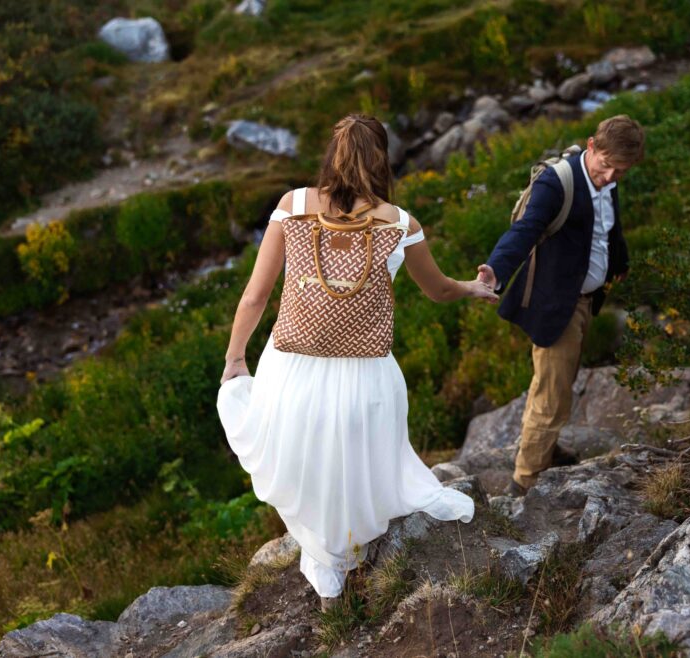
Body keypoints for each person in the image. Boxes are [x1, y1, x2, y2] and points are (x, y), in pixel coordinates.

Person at [216, 114, 497, 611]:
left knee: (306, 459)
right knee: (355, 458)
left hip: (290, 367)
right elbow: (437, 291)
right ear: (381, 160)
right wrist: (473, 287)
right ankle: (347, 551)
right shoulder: (400, 223)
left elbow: (256, 297)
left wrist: (236, 357)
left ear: (333, 155)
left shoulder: (292, 206)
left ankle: (327, 565)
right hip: (367, 373)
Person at [476, 114, 645, 497]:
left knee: (560, 383)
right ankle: (526, 481)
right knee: (551, 395)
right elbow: (525, 230)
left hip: (585, 300)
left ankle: (546, 449)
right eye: (605, 167)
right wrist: (494, 273)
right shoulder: (557, 182)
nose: (609, 177)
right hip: (557, 303)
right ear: (591, 146)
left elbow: (607, 228)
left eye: (619, 172)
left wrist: (619, 263)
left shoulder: (610, 179)